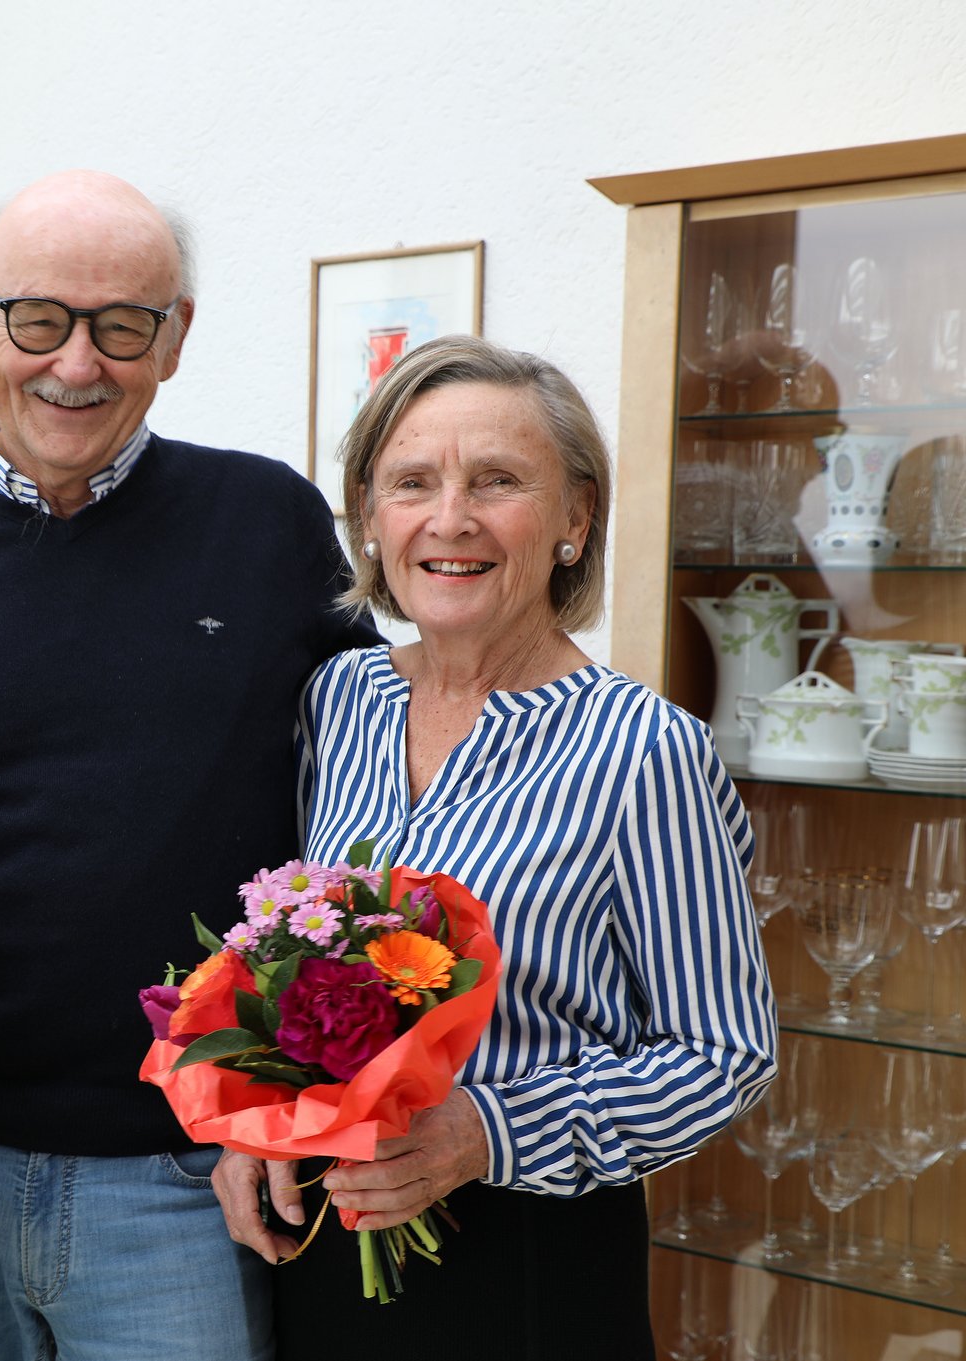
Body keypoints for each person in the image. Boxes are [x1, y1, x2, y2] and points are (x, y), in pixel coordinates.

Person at [0, 169, 381, 1361]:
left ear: (176, 339)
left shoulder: (267, 526)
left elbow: (364, 800)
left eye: (122, 325)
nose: (76, 362)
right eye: (38, 318)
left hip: (182, 1170)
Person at [212, 335, 776, 1358]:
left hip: (526, 1260)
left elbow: (721, 1052)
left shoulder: (643, 749)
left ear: (573, 517)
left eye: (497, 481)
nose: (449, 518)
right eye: (410, 482)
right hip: (333, 1243)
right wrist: (260, 1118)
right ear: (369, 520)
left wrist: (485, 1132)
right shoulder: (339, 699)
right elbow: (293, 958)